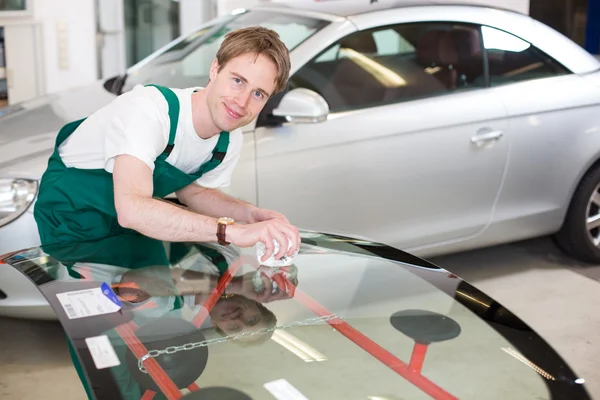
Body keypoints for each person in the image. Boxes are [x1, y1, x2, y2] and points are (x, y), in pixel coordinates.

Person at [33, 26, 300, 262]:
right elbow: (132, 209)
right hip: (74, 218)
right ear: (215, 68)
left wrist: (253, 216)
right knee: (98, 312)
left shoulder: (228, 140)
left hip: (136, 225)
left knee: (151, 311)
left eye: (258, 93)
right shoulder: (150, 111)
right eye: (238, 80)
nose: (242, 102)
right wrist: (231, 230)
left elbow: (195, 193)